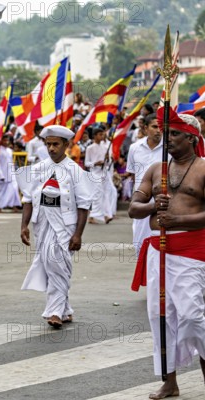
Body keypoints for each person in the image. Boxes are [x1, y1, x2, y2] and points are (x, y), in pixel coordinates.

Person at [129, 109, 205, 400]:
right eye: (167, 132)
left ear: (192, 138)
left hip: (192, 249)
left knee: (191, 316)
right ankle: (169, 382)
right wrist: (152, 207)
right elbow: (135, 208)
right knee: (159, 316)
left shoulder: (203, 167)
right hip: (157, 250)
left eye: (174, 134)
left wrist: (179, 222)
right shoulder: (154, 169)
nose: (167, 138)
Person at [16, 126, 92, 328]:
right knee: (52, 265)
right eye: (48, 144)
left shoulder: (75, 171)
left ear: (66, 145)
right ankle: (65, 309)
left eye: (55, 144)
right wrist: (24, 225)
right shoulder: (38, 168)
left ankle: (55, 311)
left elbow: (84, 205)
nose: (51, 148)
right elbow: (28, 199)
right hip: (42, 223)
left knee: (57, 263)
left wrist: (78, 235)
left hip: (65, 224)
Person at [126, 114, 163, 256]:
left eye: (161, 126)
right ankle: (142, 275)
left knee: (159, 242)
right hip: (141, 202)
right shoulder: (135, 148)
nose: (158, 130)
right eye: (154, 126)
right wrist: (138, 198)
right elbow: (134, 175)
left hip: (162, 201)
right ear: (145, 128)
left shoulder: (168, 149)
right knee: (140, 242)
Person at [84, 125, 115, 224]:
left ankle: (107, 215)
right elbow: (86, 163)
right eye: (100, 134)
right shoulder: (90, 148)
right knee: (96, 195)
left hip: (104, 173)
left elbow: (109, 162)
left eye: (103, 134)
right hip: (94, 174)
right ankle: (92, 216)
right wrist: (96, 163)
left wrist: (108, 159)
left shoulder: (106, 147)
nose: (102, 136)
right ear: (95, 136)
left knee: (106, 193)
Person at [0, 135, 21, 212]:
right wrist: (0, 175)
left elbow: (11, 162)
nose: (6, 142)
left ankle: (14, 206)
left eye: (7, 140)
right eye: (4, 140)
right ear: (1, 141)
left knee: (14, 189)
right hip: (2, 175)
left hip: (10, 173)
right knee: (1, 192)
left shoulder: (9, 150)